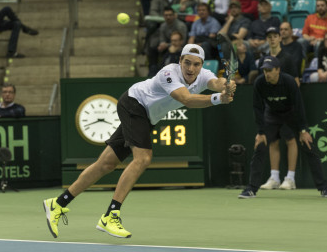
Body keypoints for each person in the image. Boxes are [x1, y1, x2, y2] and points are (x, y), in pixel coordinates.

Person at [43, 44, 236, 239]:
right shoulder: (169, 72)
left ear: (201, 65)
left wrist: (226, 85)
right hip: (134, 103)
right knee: (143, 158)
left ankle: (58, 204)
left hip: (145, 116)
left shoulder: (203, 74)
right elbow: (186, 99)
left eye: (196, 64)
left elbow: (215, 82)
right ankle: (111, 215)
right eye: (187, 63)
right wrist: (218, 99)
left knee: (106, 164)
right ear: (180, 61)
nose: (191, 68)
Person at [238, 56, 327, 199]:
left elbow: (299, 105)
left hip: (291, 114)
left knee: (308, 145)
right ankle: (251, 189)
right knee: (260, 146)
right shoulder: (259, 83)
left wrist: (303, 130)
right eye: (265, 70)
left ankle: (324, 188)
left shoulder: (289, 81)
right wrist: (261, 132)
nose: (267, 74)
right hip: (272, 115)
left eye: (270, 70)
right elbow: (257, 108)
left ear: (278, 70)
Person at [256, 27, 299, 190]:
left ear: (280, 38)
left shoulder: (287, 58)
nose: (272, 39)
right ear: (267, 40)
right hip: (270, 107)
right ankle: (274, 177)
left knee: (290, 140)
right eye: (269, 37)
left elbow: (296, 82)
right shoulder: (264, 60)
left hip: (287, 107)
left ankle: (291, 178)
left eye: (275, 36)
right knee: (273, 141)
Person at [147, 6, 188, 76]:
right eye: (166, 15)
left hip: (180, 47)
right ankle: (153, 70)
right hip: (168, 46)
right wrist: (162, 45)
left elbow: (183, 42)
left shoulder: (180, 26)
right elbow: (162, 39)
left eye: (170, 15)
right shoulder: (163, 26)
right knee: (153, 49)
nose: (168, 17)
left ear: (174, 15)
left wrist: (168, 45)